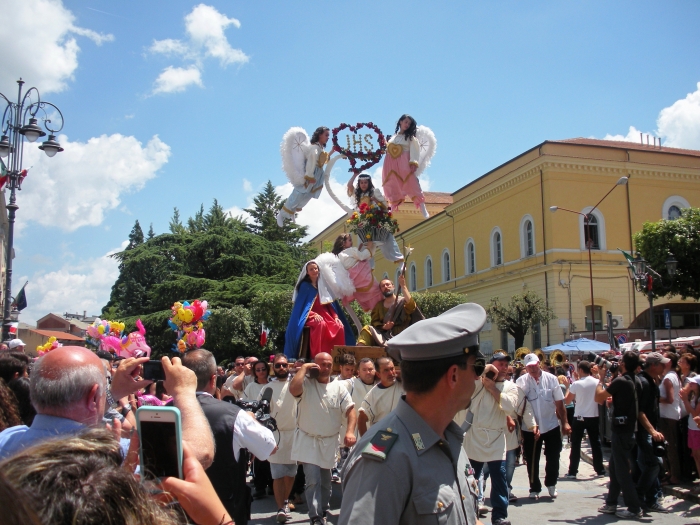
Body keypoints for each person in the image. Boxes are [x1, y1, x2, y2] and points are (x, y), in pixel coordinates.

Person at [339, 303, 486, 525]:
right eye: (477, 367)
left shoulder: (448, 438)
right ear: (454, 375)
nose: (478, 378)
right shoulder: (384, 462)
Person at [0, 347, 215, 469]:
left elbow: (81, 409)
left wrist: (112, 393)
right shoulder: (117, 454)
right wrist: (185, 393)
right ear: (94, 396)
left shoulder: (7, 441)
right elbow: (201, 454)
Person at [182, 348, 277, 525]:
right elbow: (269, 447)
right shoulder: (233, 415)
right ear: (213, 379)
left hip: (177, 511)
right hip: (225, 510)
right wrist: (253, 420)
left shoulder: (161, 412)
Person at [456, 351, 529, 525]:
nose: (503, 368)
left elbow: (510, 407)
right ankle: (469, 513)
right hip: (475, 437)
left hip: (496, 438)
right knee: (470, 478)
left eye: (505, 365)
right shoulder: (478, 382)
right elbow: (467, 395)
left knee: (499, 478)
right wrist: (484, 378)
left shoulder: (510, 387)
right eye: (499, 364)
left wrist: (493, 389)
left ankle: (499, 516)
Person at [290, 352, 357, 525]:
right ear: (314, 365)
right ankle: (315, 516)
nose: (325, 368)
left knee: (326, 482)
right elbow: (293, 390)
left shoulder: (339, 387)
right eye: (321, 365)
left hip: (329, 441)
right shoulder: (306, 383)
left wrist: (350, 432)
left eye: (328, 364)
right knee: (312, 480)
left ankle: (323, 509)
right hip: (308, 440)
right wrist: (304, 368)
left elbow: (351, 411)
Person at [594, 351, 645, 519]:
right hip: (629, 431)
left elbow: (599, 397)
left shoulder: (621, 381)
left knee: (622, 472)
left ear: (623, 364)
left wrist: (601, 378)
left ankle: (634, 507)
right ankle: (611, 503)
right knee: (615, 468)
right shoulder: (635, 380)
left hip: (621, 432)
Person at [516, 353, 570, 499]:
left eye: (534, 366)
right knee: (532, 459)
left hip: (550, 424)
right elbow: (519, 408)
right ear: (525, 367)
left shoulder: (551, 379)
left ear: (539, 363)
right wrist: (520, 429)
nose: (532, 369)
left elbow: (560, 403)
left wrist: (564, 422)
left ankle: (551, 483)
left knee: (553, 456)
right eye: (529, 367)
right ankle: (534, 487)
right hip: (530, 427)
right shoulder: (521, 382)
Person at [284, 261, 355, 360]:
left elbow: (330, 304)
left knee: (339, 326)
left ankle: (336, 356)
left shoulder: (322, 285)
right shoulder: (305, 286)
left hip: (325, 314)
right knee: (320, 324)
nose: (314, 271)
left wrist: (335, 317)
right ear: (307, 272)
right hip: (308, 316)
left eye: (315, 268)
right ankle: (317, 356)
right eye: (311, 269)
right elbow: (302, 307)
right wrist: (312, 315)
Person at [258, 354, 298, 523]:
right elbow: (261, 411)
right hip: (275, 434)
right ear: (273, 367)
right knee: (277, 474)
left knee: (290, 473)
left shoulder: (296, 385)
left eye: (284, 365)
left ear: (288, 366)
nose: (281, 368)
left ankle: (286, 500)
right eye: (278, 365)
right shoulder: (267, 388)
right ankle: (280, 507)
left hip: (294, 434)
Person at [635, 352, 668, 512]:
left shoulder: (649, 381)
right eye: (662, 364)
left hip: (648, 430)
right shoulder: (644, 383)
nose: (665, 367)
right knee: (655, 464)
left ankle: (650, 498)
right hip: (644, 431)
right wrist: (652, 431)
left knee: (646, 464)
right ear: (654, 365)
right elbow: (640, 412)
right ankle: (640, 496)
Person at [277, 126, 330, 226]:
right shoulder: (314, 148)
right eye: (326, 135)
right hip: (311, 175)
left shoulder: (319, 148)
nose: (328, 137)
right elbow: (311, 161)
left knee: (308, 196)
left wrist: (332, 152)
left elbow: (323, 160)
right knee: (299, 193)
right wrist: (309, 176)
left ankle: (292, 211)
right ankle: (282, 214)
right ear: (320, 135)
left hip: (317, 176)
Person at [345, 173, 405, 262]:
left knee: (387, 242)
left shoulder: (374, 192)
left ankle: (398, 260)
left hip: (375, 222)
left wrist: (375, 200)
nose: (363, 185)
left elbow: (385, 207)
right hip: (363, 224)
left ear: (369, 183)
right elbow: (350, 185)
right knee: (364, 250)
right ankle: (367, 270)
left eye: (365, 182)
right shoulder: (357, 194)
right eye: (361, 183)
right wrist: (355, 174)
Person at [382, 114, 429, 218]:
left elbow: (415, 150)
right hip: (390, 164)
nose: (407, 125)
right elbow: (387, 149)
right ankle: (393, 207)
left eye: (409, 123)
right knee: (390, 183)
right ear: (400, 122)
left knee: (411, 182)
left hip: (403, 161)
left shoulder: (411, 138)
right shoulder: (393, 137)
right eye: (406, 122)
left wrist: (413, 162)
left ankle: (422, 206)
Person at [565, 360, 605, 478]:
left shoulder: (576, 384)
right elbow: (601, 400)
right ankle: (600, 470)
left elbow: (567, 401)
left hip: (579, 416)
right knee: (595, 443)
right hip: (593, 415)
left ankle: (573, 471)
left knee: (576, 444)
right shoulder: (597, 382)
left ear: (581, 370)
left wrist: (568, 387)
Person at [357, 275, 419, 347]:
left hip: (401, 335)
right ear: (381, 290)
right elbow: (374, 322)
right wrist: (384, 326)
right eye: (383, 286)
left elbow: (411, 307)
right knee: (366, 329)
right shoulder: (379, 306)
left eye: (388, 284)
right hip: (383, 336)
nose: (385, 287)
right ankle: (359, 351)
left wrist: (403, 286)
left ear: (393, 286)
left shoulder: (402, 301)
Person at [332, 233, 384, 312]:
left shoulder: (337, 256)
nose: (351, 242)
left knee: (366, 295)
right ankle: (382, 308)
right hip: (362, 276)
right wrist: (371, 246)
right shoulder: (351, 250)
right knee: (376, 290)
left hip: (355, 282)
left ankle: (374, 310)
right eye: (349, 240)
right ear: (343, 243)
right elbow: (363, 256)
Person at [358, 356, 403, 436]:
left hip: (403, 435)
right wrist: (365, 441)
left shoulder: (404, 384)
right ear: (378, 374)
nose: (391, 373)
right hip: (382, 438)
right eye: (386, 370)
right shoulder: (373, 394)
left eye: (392, 369)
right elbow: (362, 419)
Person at [659, 351, 682, 484]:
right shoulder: (670, 376)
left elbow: (670, 399)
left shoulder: (669, 378)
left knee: (671, 446)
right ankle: (670, 472)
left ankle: (675, 475)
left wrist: (656, 398)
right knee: (669, 446)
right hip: (668, 414)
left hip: (669, 415)